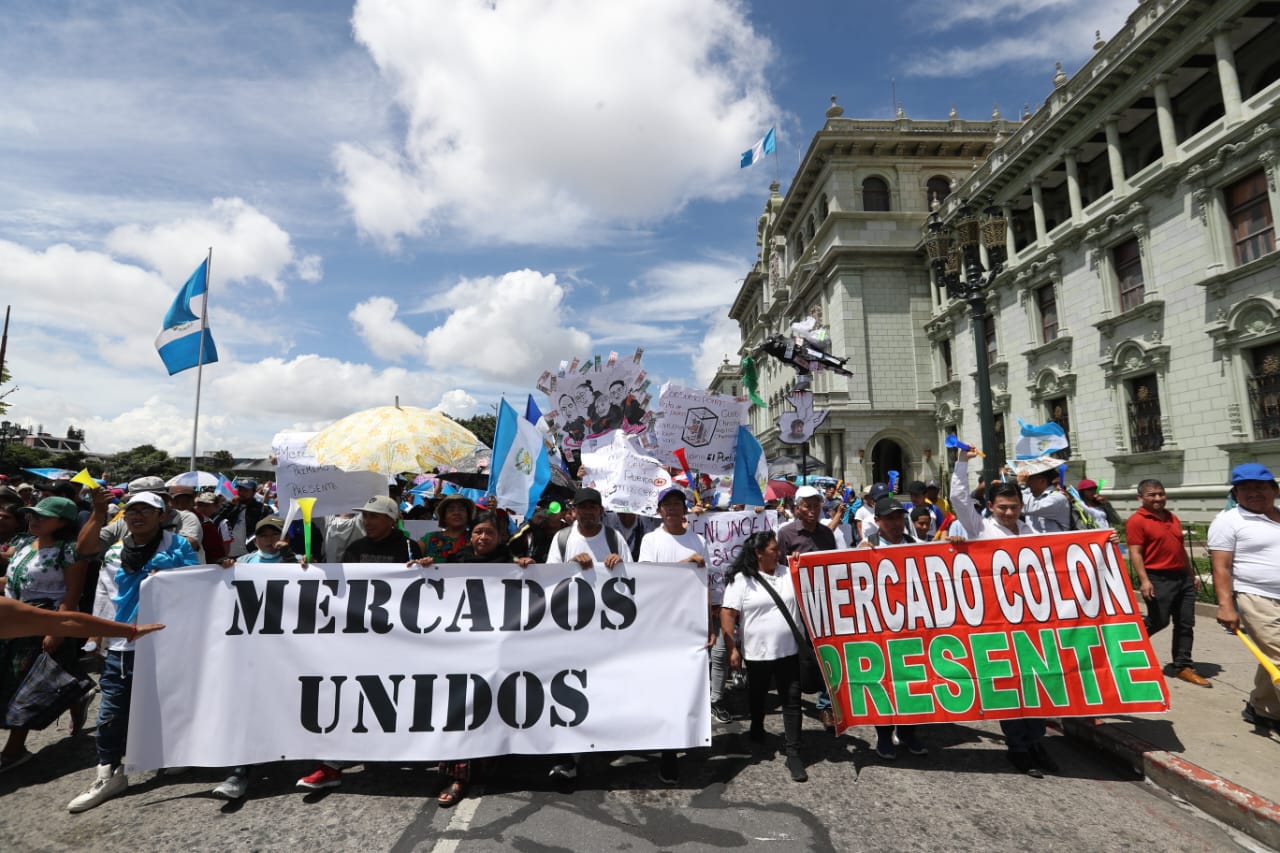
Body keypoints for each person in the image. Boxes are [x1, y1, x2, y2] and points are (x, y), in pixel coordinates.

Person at [68, 489, 199, 812]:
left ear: (160, 516)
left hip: (167, 639)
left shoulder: (178, 545)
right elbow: (102, 586)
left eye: (146, 510)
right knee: (112, 708)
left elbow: (197, 582)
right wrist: (97, 633)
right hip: (124, 642)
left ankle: (169, 753)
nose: (137, 516)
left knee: (166, 700)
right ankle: (109, 771)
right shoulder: (114, 552)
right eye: (131, 511)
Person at [295, 495, 423, 791]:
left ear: (391, 520)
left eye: (374, 516)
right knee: (348, 697)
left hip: (397, 639)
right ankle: (332, 764)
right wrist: (310, 570)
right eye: (364, 516)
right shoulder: (356, 548)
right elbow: (339, 587)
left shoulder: (408, 548)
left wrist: (423, 567)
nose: (367, 521)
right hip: (359, 638)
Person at [951, 450, 1057, 779]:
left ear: (1021, 507)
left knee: (1036, 684)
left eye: (1014, 507)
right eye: (1003, 508)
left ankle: (1037, 741)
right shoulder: (980, 530)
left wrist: (1103, 543)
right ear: (992, 508)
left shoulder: (1030, 535)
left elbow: (1064, 553)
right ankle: (1018, 749)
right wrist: (962, 462)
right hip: (996, 626)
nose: (1009, 512)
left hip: (1031, 625)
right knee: (1009, 686)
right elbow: (957, 496)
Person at [543, 487, 628, 781]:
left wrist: (618, 565)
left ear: (600, 510)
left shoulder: (614, 538)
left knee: (603, 685)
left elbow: (634, 579)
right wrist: (572, 565)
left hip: (607, 628)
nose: (589, 512)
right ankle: (568, 756)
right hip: (571, 627)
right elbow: (550, 577)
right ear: (574, 511)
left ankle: (603, 741)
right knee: (570, 687)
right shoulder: (562, 539)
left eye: (593, 507)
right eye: (583, 507)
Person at [211, 515, 298, 800]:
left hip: (289, 646)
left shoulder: (295, 559)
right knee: (248, 704)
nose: (269, 539)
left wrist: (290, 556)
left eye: (275, 534)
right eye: (263, 534)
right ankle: (240, 771)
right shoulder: (245, 563)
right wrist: (224, 569)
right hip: (250, 647)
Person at [0, 497, 89, 771]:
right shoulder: (25, 544)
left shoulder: (69, 551)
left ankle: (15, 749)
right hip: (11, 622)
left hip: (41, 623)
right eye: (31, 515)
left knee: (25, 686)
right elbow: (16, 579)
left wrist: (56, 630)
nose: (34, 520)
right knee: (14, 679)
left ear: (63, 522)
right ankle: (77, 693)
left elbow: (72, 595)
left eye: (42, 516)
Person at [720, 530, 807, 783]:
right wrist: (732, 648)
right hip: (757, 654)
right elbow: (727, 614)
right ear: (758, 553)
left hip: (789, 652)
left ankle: (793, 752)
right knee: (757, 694)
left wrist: (804, 563)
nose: (778, 552)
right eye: (772, 549)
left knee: (792, 700)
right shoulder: (741, 580)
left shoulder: (788, 572)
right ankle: (757, 727)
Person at [637, 487, 710, 785]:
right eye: (667, 505)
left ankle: (682, 741)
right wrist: (684, 566)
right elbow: (647, 580)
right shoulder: (650, 540)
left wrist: (711, 625)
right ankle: (666, 753)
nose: (672, 509)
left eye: (677, 504)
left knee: (686, 688)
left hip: (690, 626)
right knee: (662, 689)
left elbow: (704, 584)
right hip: (659, 625)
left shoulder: (699, 540)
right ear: (659, 511)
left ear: (685, 509)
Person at [857, 497, 930, 759]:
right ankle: (885, 736)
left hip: (912, 628)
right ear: (877, 522)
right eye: (889, 519)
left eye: (899, 518)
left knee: (913, 683)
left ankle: (909, 733)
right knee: (885, 684)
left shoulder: (917, 546)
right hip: (881, 630)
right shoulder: (866, 547)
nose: (896, 523)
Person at [1209, 463, 1280, 730]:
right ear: (1235, 493)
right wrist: (1226, 606)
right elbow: (1221, 567)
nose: (1253, 492)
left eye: (1260, 487)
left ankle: (1264, 709)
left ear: (1274, 489)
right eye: (1245, 488)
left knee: (1271, 657)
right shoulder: (1228, 521)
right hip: (1258, 597)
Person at [1126, 479, 1210, 688]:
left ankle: (1182, 665)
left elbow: (1180, 549)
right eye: (1152, 495)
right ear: (1140, 498)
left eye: (1161, 494)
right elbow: (1135, 553)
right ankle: (1127, 651)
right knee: (1159, 621)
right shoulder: (1136, 521)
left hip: (1182, 577)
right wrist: (1144, 581)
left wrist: (1191, 575)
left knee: (1185, 622)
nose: (1157, 498)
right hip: (1157, 578)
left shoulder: (1172, 518)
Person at [777, 485, 837, 731]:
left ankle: (825, 705)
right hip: (795, 603)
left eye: (816, 506)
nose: (813, 511)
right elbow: (778, 569)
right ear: (797, 508)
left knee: (825, 653)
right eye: (808, 506)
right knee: (795, 654)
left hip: (823, 603)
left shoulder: (827, 534)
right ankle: (792, 699)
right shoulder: (786, 534)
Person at [1015, 458, 1071, 533]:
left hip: (1055, 543)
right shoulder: (1032, 496)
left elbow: (1027, 507)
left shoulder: (1058, 498)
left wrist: (1022, 484)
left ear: (1042, 481)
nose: (1027, 482)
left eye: (1029, 479)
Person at [418, 494, 474, 563]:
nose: (456, 513)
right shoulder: (428, 538)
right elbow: (411, 563)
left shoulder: (476, 540)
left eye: (462, 509)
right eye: (451, 510)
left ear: (468, 515)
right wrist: (421, 562)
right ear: (444, 517)